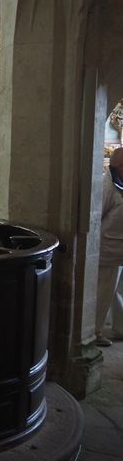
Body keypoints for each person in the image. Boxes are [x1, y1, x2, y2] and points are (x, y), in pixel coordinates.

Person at [95, 147, 123, 345]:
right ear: (116, 165)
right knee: (103, 292)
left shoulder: (119, 182)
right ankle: (94, 332)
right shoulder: (107, 185)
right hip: (108, 248)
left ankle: (120, 328)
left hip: (118, 248)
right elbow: (96, 217)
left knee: (117, 291)